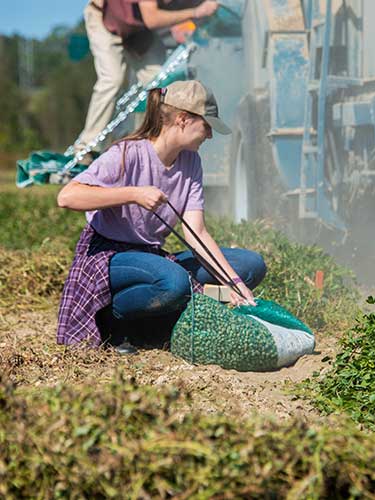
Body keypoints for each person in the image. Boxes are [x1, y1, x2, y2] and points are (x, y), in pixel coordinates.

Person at [56, 80, 267, 348]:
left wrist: (235, 284)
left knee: (249, 265)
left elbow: (197, 233)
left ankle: (167, 316)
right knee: (174, 282)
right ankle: (112, 318)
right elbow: (67, 197)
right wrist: (133, 193)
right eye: (207, 126)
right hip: (108, 255)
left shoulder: (191, 162)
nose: (210, 136)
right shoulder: (127, 153)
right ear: (182, 119)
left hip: (152, 255)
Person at [75, 0, 219, 163]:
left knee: (162, 81)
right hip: (105, 19)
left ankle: (151, 146)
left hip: (138, 27)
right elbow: (152, 18)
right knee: (112, 80)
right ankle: (86, 149)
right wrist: (195, 12)